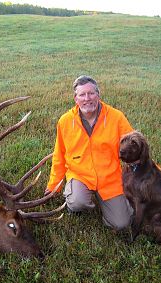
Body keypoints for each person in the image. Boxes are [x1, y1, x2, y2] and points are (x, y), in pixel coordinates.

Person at [45, 75, 133, 231]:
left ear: (98, 95)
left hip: (109, 178)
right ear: (76, 98)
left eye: (91, 93)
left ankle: (108, 203)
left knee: (121, 224)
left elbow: (135, 148)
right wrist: (53, 186)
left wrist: (154, 172)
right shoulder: (65, 121)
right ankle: (76, 203)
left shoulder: (116, 117)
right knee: (77, 202)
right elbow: (59, 154)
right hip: (80, 175)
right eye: (82, 95)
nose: (87, 98)